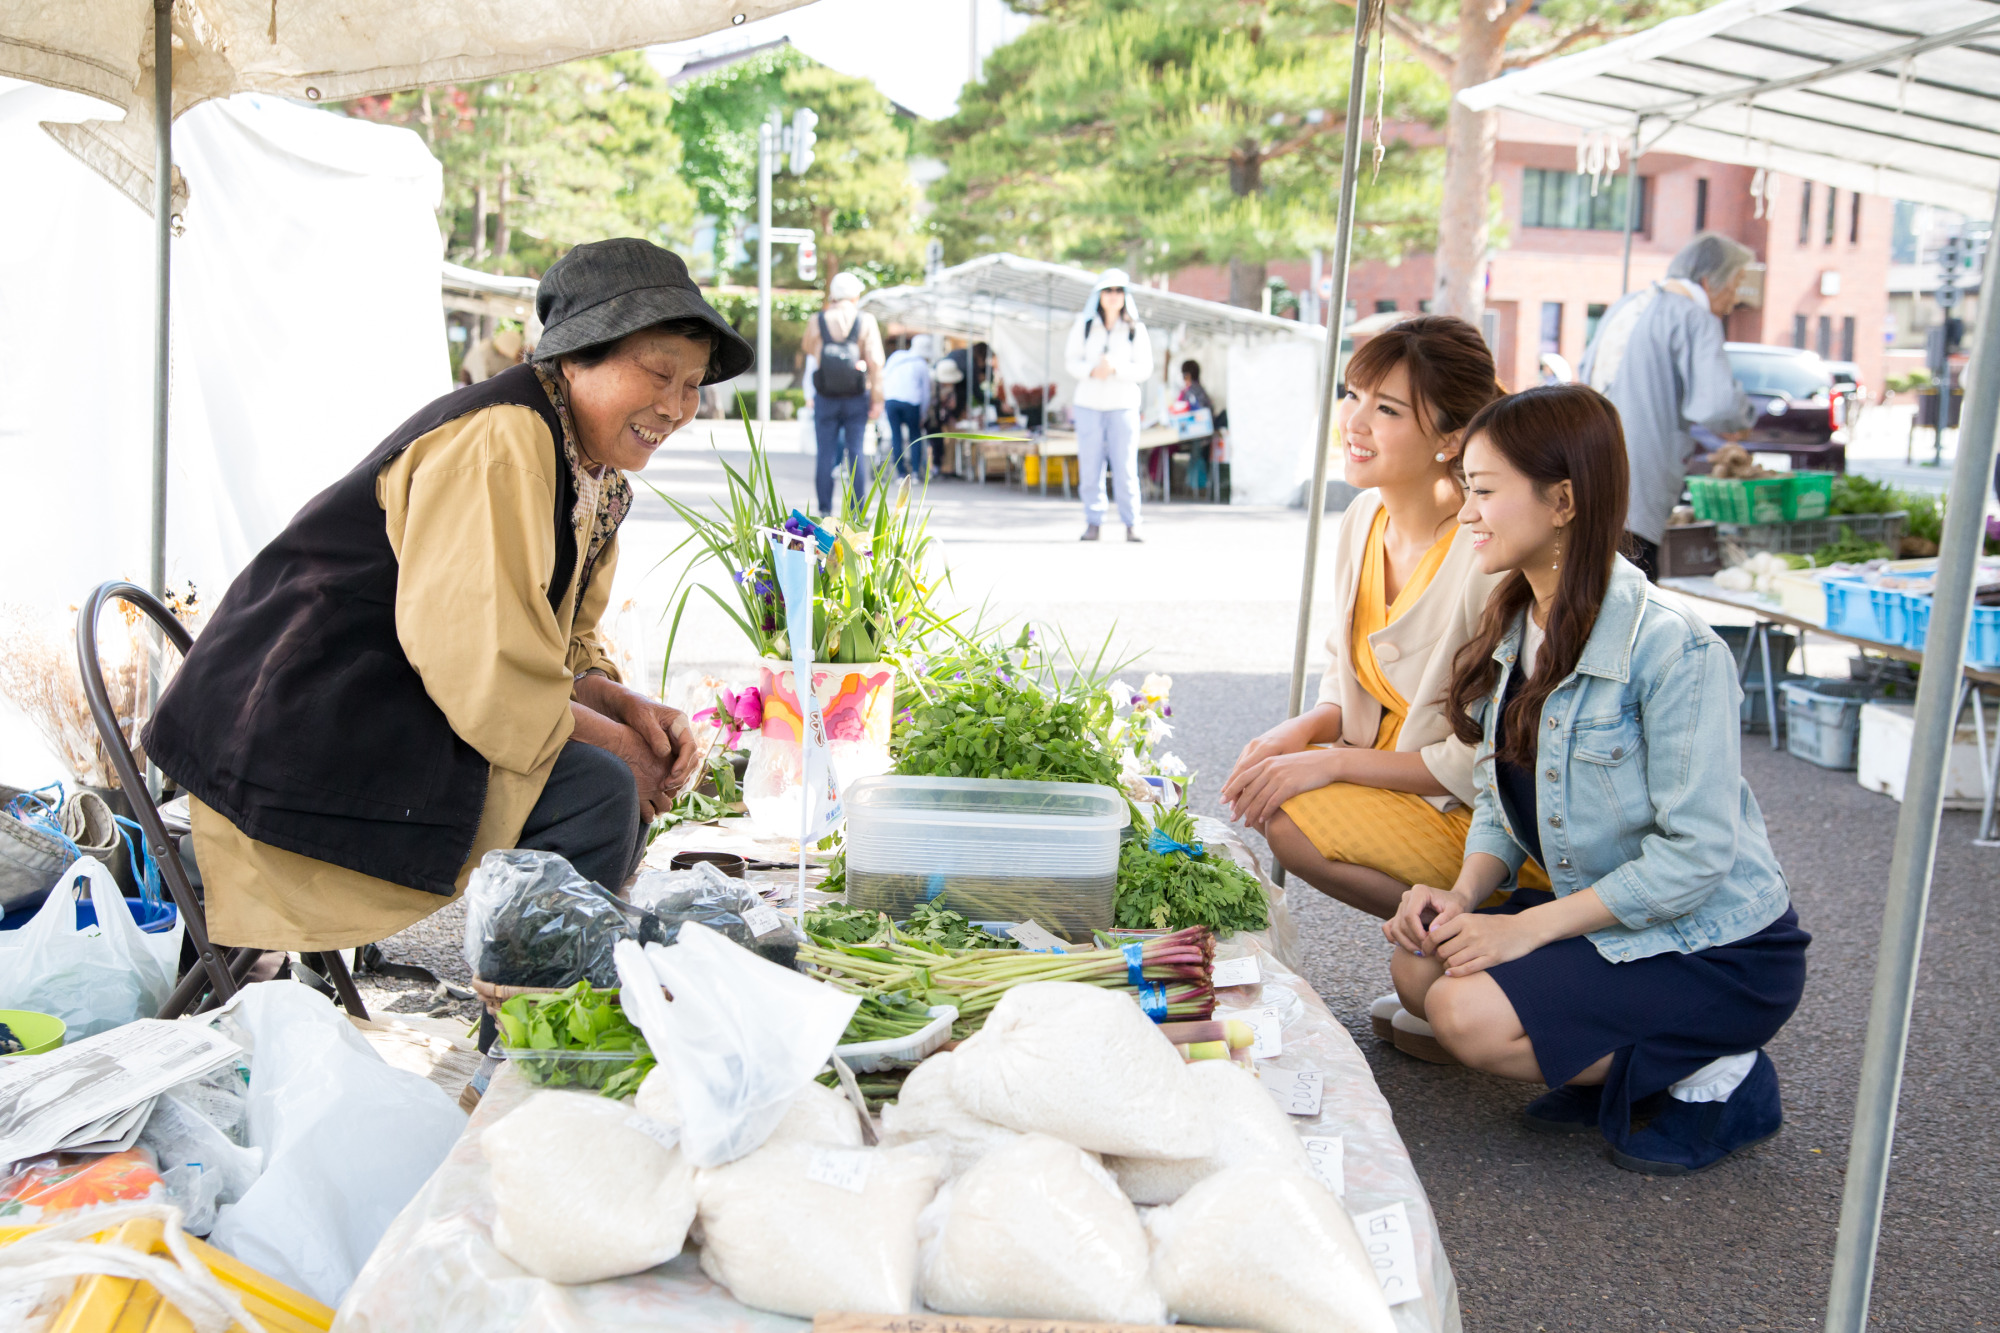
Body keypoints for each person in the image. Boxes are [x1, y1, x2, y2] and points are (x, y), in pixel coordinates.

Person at [143, 239, 754, 953]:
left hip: (382, 705)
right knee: (599, 791)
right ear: (578, 355)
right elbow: (481, 668)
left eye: (691, 385)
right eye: (658, 374)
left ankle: (550, 1007)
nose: (676, 406)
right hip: (298, 727)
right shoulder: (505, 441)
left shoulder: (593, 474)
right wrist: (621, 749)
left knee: (612, 775)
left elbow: (559, 646)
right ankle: (531, 1029)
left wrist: (627, 710)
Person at [1385, 384, 1809, 1174]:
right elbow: (1497, 796)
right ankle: (1620, 1056)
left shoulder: (1676, 648)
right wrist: (1467, 896)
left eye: (1482, 491)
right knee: (1420, 965)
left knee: (1462, 1011)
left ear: (1564, 500)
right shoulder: (1519, 621)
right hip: (1618, 918)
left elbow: (1695, 858)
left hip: (1717, 945)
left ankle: (1722, 1070)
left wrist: (1524, 927)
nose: (1464, 511)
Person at [1221, 315, 1545, 1062]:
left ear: (1450, 438)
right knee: (1272, 783)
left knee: (1290, 805)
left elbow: (1485, 762)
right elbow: (1348, 673)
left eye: (1387, 409)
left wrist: (1329, 761)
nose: (1354, 423)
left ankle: (1489, 925)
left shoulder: (1483, 549)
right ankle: (1445, 954)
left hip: (1484, 818)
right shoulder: (1363, 515)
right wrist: (1301, 732)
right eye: (1352, 395)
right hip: (1405, 784)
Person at [1578, 232, 1757, 579]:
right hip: (1639, 484)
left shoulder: (1627, 304)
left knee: (1593, 586)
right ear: (1708, 281)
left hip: (1590, 467)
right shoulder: (1694, 317)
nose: (1735, 300)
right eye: (1735, 285)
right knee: (1633, 595)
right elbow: (1717, 406)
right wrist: (1744, 418)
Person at [1064, 269, 1154, 542]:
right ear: (1099, 295)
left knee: (1125, 466)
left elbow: (1145, 368)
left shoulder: (1135, 328)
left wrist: (1117, 369)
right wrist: (1093, 371)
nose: (1113, 296)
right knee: (1090, 466)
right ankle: (1094, 521)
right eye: (1108, 291)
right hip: (1089, 404)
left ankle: (1132, 523)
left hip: (1123, 405)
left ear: (1125, 296)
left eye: (1118, 291)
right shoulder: (1085, 324)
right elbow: (1071, 361)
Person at [802, 270, 885, 514]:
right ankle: (857, 512)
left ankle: (825, 510)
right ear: (856, 295)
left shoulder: (817, 321)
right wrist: (877, 399)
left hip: (825, 396)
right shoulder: (866, 321)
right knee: (856, 452)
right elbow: (876, 363)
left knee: (825, 454)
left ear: (833, 295)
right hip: (856, 397)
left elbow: (809, 350)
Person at [880, 336, 933, 479]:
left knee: (895, 436)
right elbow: (925, 393)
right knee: (915, 436)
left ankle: (900, 474)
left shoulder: (896, 356)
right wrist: (923, 414)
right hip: (912, 403)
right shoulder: (921, 364)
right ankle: (915, 473)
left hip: (891, 400)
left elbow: (883, 378)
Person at [1171, 359, 1216, 495]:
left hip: (1198, 436)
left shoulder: (1192, 392)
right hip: (1203, 435)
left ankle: (1194, 486)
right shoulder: (1200, 390)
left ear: (1188, 375)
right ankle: (1193, 486)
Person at [459, 326, 524, 384]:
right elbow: (480, 381)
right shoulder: (482, 352)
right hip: (473, 377)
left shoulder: (507, 356)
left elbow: (512, 368)